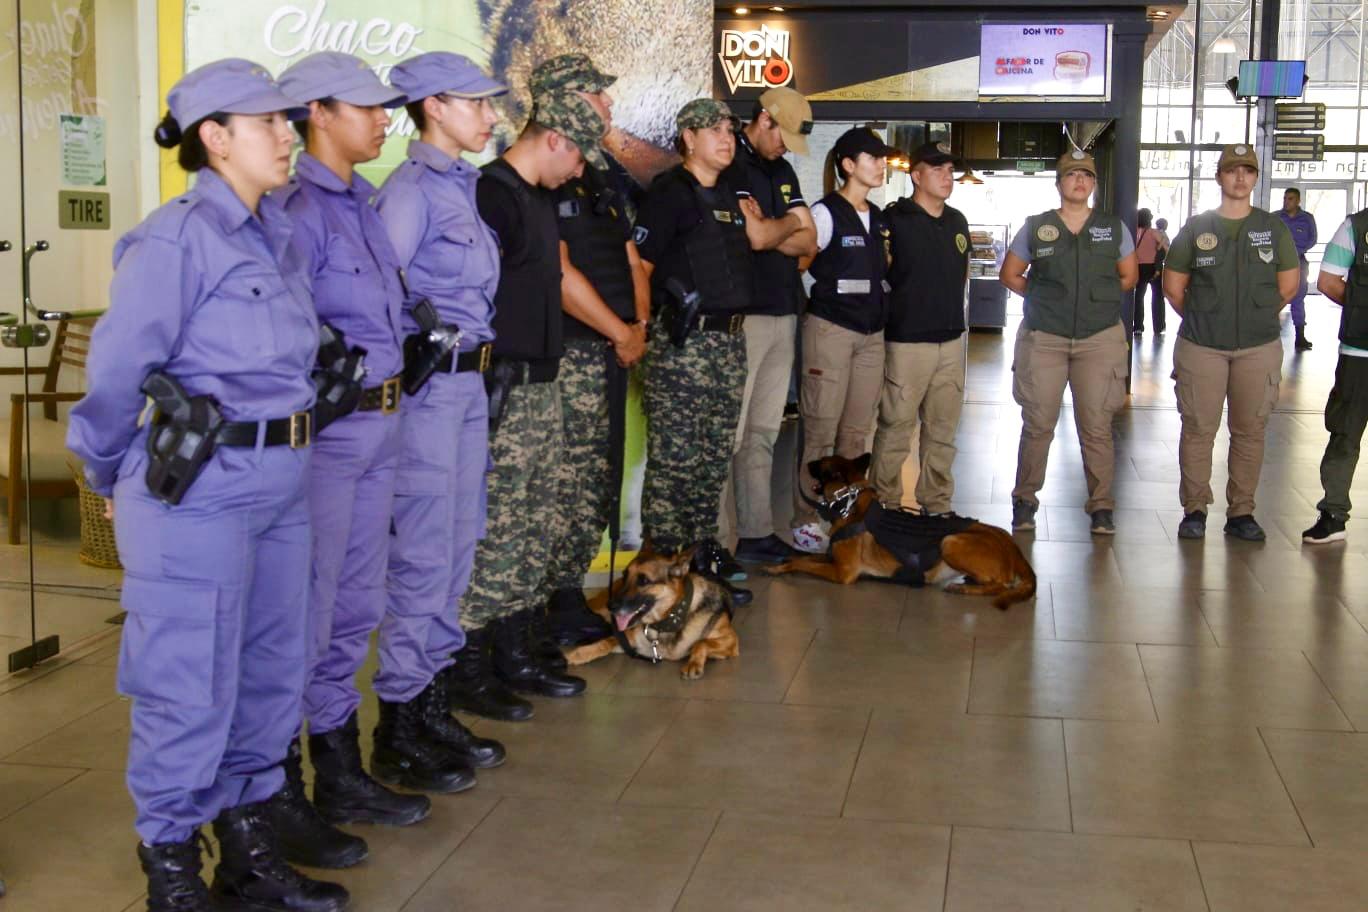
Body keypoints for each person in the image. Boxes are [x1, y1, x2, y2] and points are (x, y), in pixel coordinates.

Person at [66, 58, 349, 912]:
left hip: (282, 483)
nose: (286, 135)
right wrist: (104, 467)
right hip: (200, 488)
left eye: (287, 121)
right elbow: (117, 371)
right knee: (188, 681)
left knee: (270, 671)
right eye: (266, 123)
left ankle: (249, 850)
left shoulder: (278, 234)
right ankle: (172, 867)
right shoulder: (175, 238)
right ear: (215, 138)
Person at [260, 52, 437, 872]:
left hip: (385, 424)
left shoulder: (367, 203)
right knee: (312, 610)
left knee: (357, 606)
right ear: (317, 113)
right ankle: (281, 790)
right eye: (366, 108)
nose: (383, 120)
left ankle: (340, 769)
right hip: (330, 439)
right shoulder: (294, 211)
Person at [373, 53, 513, 777]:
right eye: (478, 103)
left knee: (458, 549)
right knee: (424, 557)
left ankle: (429, 702)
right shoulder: (410, 191)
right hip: (429, 395)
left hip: (467, 393)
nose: (490, 116)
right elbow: (376, 293)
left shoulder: (463, 188)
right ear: (434, 106)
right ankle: (399, 726)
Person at [457, 88, 607, 706]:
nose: (579, 173)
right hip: (503, 386)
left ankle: (514, 654)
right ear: (553, 139)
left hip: (544, 382)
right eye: (577, 158)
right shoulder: (489, 195)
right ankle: (469, 671)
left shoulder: (541, 199)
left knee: (535, 526)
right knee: (496, 531)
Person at [527, 55, 651, 646]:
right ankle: (545, 602)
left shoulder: (600, 174)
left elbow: (629, 259)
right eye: (596, 95)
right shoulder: (538, 175)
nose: (608, 104)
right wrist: (619, 331)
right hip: (571, 352)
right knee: (566, 481)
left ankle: (569, 592)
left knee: (597, 478)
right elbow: (558, 270)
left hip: (611, 350)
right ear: (562, 99)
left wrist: (639, 325)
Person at [633, 98, 768, 602]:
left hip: (730, 343)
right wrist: (642, 332)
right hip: (683, 346)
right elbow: (640, 268)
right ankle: (662, 562)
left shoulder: (733, 193)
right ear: (688, 138)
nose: (726, 137)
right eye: (713, 129)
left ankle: (697, 557)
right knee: (675, 459)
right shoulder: (669, 194)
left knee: (713, 456)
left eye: (730, 129)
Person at [1162, 143, 1301, 541]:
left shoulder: (1272, 228)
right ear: (1219, 176)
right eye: (1232, 170)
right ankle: (1194, 509)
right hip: (1201, 346)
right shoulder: (1197, 227)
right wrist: (1206, 317)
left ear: (1255, 178)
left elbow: (1289, 286)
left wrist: (1256, 314)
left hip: (1258, 347)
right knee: (1198, 429)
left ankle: (1241, 512)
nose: (1240, 177)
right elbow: (1174, 288)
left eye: (1248, 171)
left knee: (1250, 430)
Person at [1000, 149, 1138, 536]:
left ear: (1093, 184)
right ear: (1058, 183)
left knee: (1096, 425)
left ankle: (1101, 505)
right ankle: (1024, 500)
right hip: (1045, 337)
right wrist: (1044, 299)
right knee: (1038, 423)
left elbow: (1127, 277)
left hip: (1099, 339)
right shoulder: (1036, 226)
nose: (1080, 181)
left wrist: (1097, 300)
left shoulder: (1113, 229)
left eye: (1087, 176)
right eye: (1072, 175)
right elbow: (1010, 274)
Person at [723, 86, 817, 566]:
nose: (785, 149)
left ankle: (757, 534)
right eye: (781, 137)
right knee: (733, 435)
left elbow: (810, 240)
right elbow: (755, 236)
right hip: (745, 315)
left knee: (764, 432)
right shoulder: (731, 162)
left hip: (784, 309)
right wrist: (783, 228)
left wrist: (774, 229)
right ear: (762, 119)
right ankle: (720, 545)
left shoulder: (780, 168)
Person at [789, 127, 896, 550]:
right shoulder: (826, 212)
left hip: (871, 335)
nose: (881, 164)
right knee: (820, 430)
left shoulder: (881, 217)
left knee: (855, 435)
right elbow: (800, 262)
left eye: (883, 158)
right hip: (831, 330)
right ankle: (805, 520)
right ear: (848, 165)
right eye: (873, 158)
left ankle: (846, 515)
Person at [868, 140, 972, 520]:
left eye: (950, 170)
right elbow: (881, 275)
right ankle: (885, 503)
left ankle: (937, 503)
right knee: (896, 428)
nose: (948, 177)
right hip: (908, 341)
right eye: (938, 170)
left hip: (950, 340)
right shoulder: (894, 221)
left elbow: (961, 274)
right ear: (916, 175)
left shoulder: (957, 220)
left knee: (943, 431)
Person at [1300, 209, 1368, 543]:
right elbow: (1328, 281)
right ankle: (1333, 513)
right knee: (1345, 434)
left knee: (1344, 437)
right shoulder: (1356, 228)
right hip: (1359, 354)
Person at [1279, 187, 1319, 351]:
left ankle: (1300, 336)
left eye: (1290, 199)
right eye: (1285, 198)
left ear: (1298, 201)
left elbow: (1313, 239)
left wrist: (1297, 250)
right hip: (1278, 264)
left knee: (1298, 298)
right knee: (1273, 296)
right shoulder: (1275, 218)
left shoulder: (1307, 218)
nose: (1287, 202)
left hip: (1298, 262)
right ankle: (1268, 334)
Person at [1133, 207, 1170, 334]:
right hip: (1154, 268)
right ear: (1149, 219)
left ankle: (1137, 326)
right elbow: (1166, 248)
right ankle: (1158, 327)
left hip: (1138, 267)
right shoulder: (1153, 232)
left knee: (1138, 297)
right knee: (1157, 296)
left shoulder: (1133, 232)